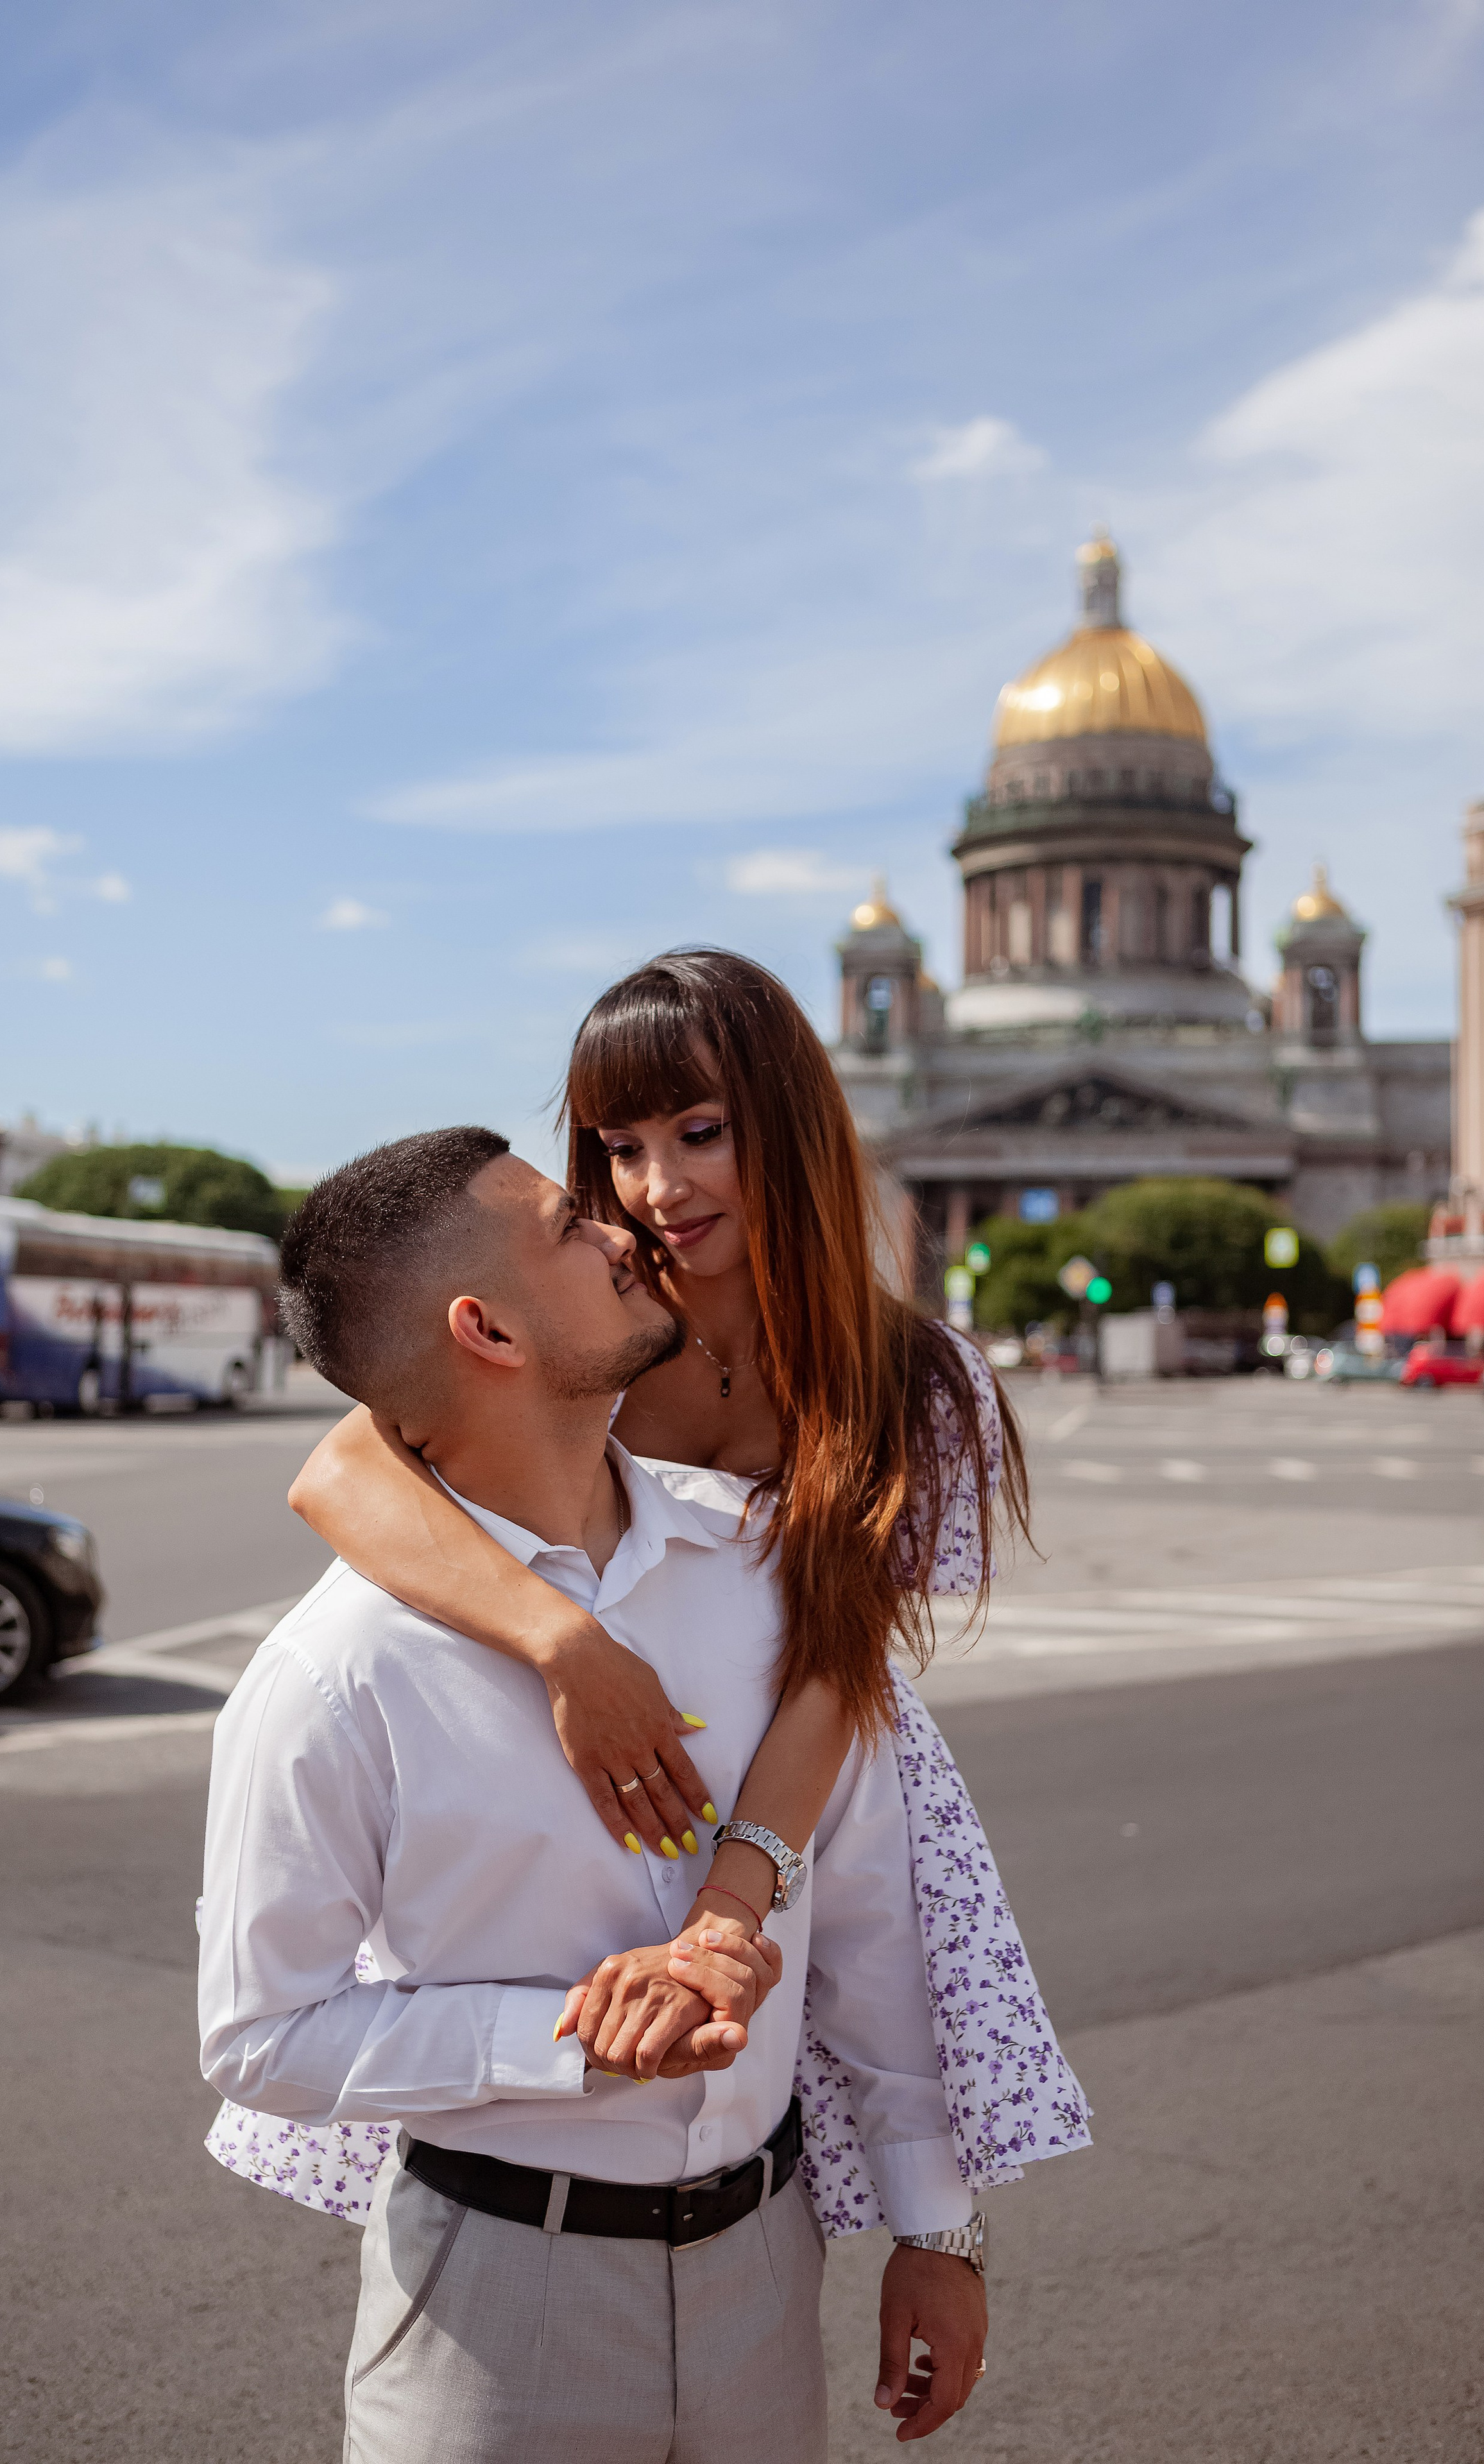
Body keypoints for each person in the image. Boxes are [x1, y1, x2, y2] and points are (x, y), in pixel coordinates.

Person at [206, 952, 1086, 2237]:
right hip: (591, 1766)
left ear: (785, 1126)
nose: (654, 1189)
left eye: (700, 1133)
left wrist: (737, 1900)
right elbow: (340, 1471)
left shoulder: (917, 1381)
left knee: (809, 2107)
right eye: (617, 1146)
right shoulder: (598, 1319)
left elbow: (838, 1670)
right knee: (568, 2128)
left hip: (809, 1763)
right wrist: (569, 1650)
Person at [201, 1128, 991, 2459]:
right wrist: (565, 2041)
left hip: (767, 2268)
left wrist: (936, 2225)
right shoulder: (335, 1678)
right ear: (487, 1331)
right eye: (573, 1223)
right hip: (492, 2304)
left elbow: (862, 1916)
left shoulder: (761, 1584)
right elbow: (258, 2040)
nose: (630, 1224)